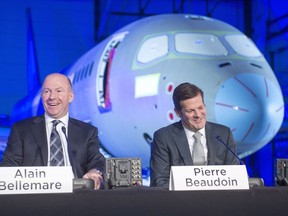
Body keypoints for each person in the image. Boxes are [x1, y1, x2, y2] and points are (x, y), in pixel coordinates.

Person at [1, 73, 105, 190]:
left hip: (76, 198)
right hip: (35, 199)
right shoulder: (21, 130)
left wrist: (94, 172)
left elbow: (97, 161)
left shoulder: (87, 132)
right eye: (47, 91)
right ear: (42, 97)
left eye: (59, 91)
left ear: (70, 96)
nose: (52, 97)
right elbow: (9, 166)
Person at [150, 82, 239, 188]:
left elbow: (235, 176)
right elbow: (159, 182)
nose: (198, 115)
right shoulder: (164, 137)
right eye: (190, 111)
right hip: (181, 202)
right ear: (178, 113)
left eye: (201, 108)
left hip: (218, 201)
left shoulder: (224, 134)